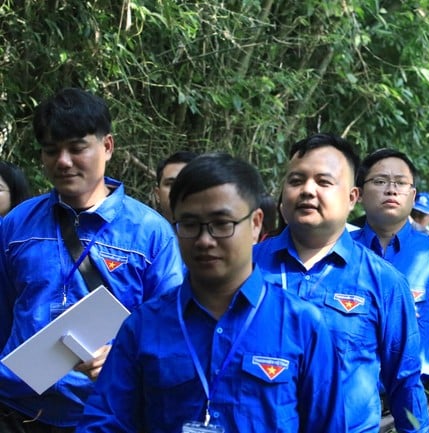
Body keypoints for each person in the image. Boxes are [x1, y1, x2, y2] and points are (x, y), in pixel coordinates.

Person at [78, 153, 345, 433]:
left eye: (221, 224)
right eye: (190, 225)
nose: (205, 240)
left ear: (255, 224)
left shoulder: (301, 326)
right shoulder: (144, 326)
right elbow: (104, 424)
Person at [0, 88, 184, 431]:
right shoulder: (16, 225)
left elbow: (172, 331)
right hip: (15, 408)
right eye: (51, 151)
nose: (63, 161)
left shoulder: (150, 233)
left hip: (103, 414)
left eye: (77, 148)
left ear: (108, 147)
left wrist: (125, 359)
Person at [253, 133, 429, 433]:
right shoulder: (246, 268)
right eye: (296, 180)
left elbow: (406, 382)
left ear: (351, 198)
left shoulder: (383, 281)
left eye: (323, 182)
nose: (308, 190)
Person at [351, 149, 429, 426]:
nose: (391, 189)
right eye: (381, 181)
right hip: (350, 410)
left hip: (415, 407)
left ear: (413, 193)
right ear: (358, 193)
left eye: (400, 183)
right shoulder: (341, 251)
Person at [154, 150, 199, 222]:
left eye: (187, 182)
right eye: (171, 184)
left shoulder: (219, 231)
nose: (178, 189)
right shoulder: (142, 231)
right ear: (158, 195)